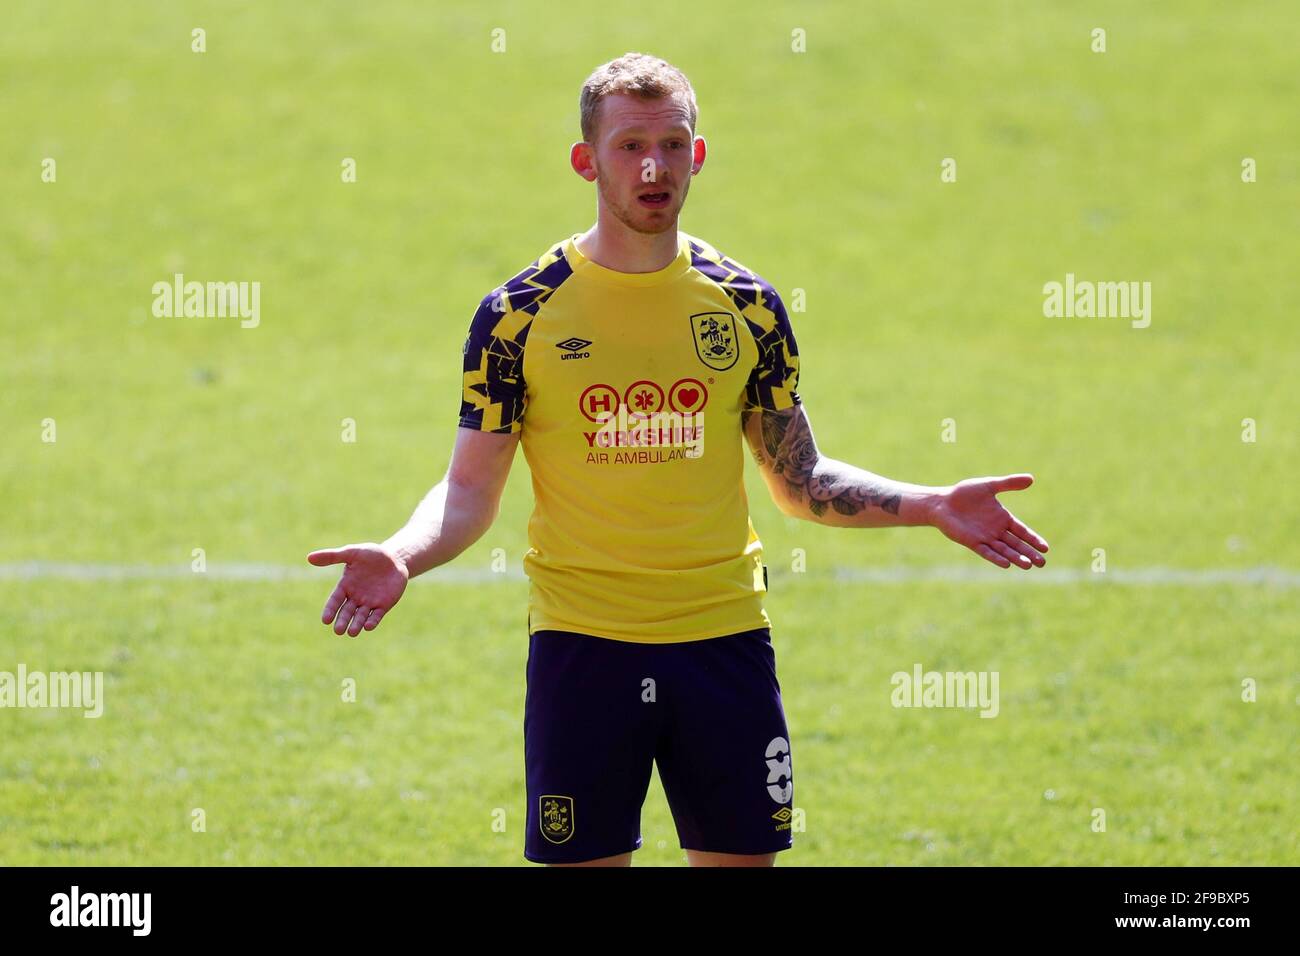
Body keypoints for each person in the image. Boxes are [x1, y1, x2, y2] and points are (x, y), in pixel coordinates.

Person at [308, 52, 1050, 867]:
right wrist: (403, 557)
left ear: (697, 154)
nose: (653, 166)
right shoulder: (517, 316)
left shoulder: (748, 305)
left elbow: (799, 482)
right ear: (586, 161)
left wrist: (932, 502)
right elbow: (468, 491)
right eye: (629, 147)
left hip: (723, 641)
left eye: (671, 142)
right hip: (582, 648)